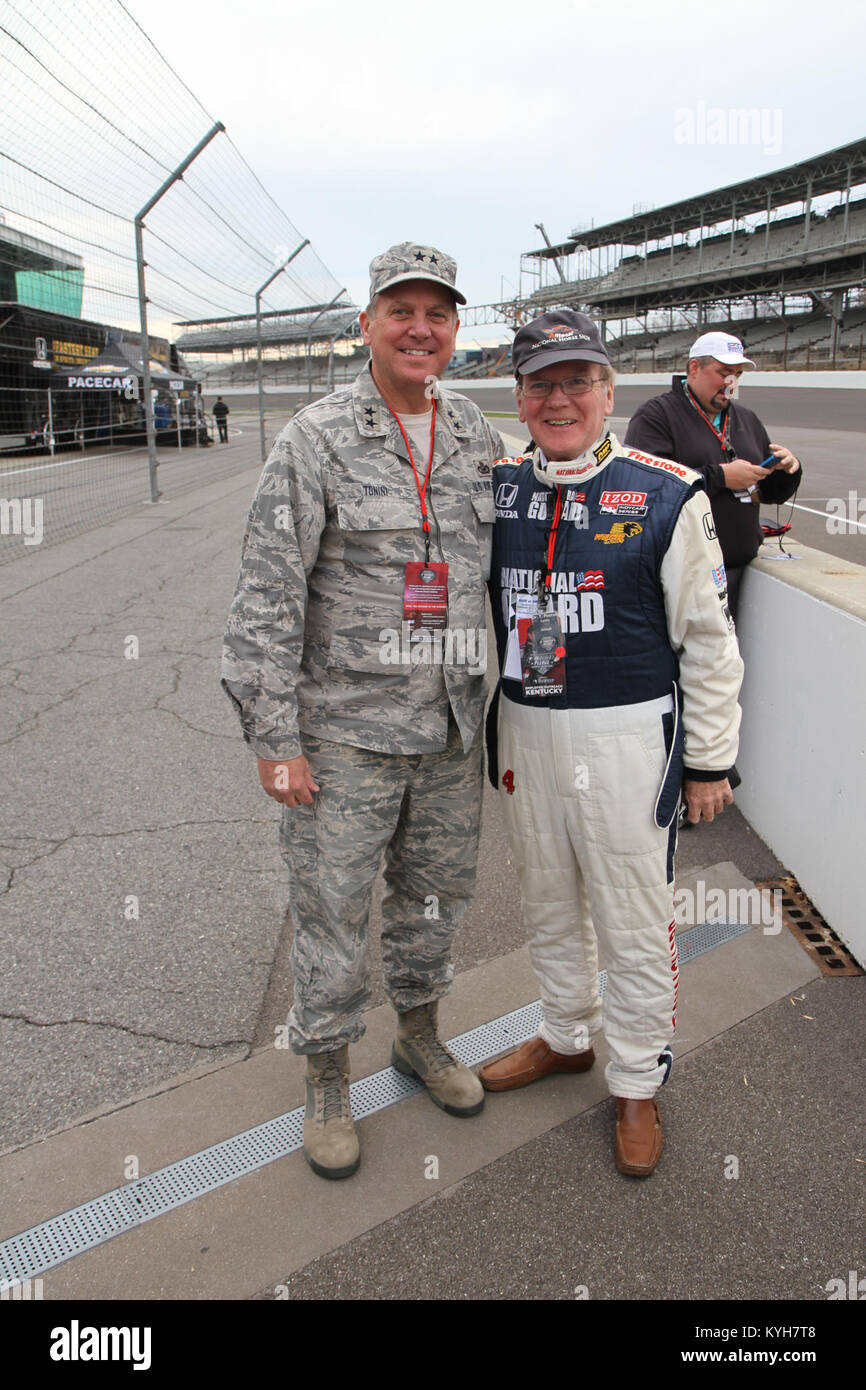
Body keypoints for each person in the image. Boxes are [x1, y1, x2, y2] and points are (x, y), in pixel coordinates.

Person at [222, 242, 504, 1179]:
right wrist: (274, 738)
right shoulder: (318, 437)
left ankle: (418, 1037)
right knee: (332, 910)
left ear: (456, 330)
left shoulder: (475, 435)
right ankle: (327, 1074)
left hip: (452, 731)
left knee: (433, 902)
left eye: (438, 313)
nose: (420, 328)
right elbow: (267, 593)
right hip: (344, 737)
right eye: (400, 311)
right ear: (367, 326)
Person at [477, 310, 743, 1177]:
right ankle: (563, 1034)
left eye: (577, 381)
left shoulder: (667, 490)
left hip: (629, 736)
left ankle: (636, 1081)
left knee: (632, 917)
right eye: (541, 383)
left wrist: (709, 759)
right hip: (527, 727)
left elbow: (709, 641)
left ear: (609, 390)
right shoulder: (498, 486)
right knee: (548, 902)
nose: (560, 399)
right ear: (519, 396)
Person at [624, 332, 802, 620]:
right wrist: (719, 477)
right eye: (723, 373)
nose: (731, 383)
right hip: (679, 574)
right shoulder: (656, 415)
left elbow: (768, 493)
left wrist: (787, 471)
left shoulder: (747, 418)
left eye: (737, 374)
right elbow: (645, 488)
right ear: (694, 368)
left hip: (736, 569)